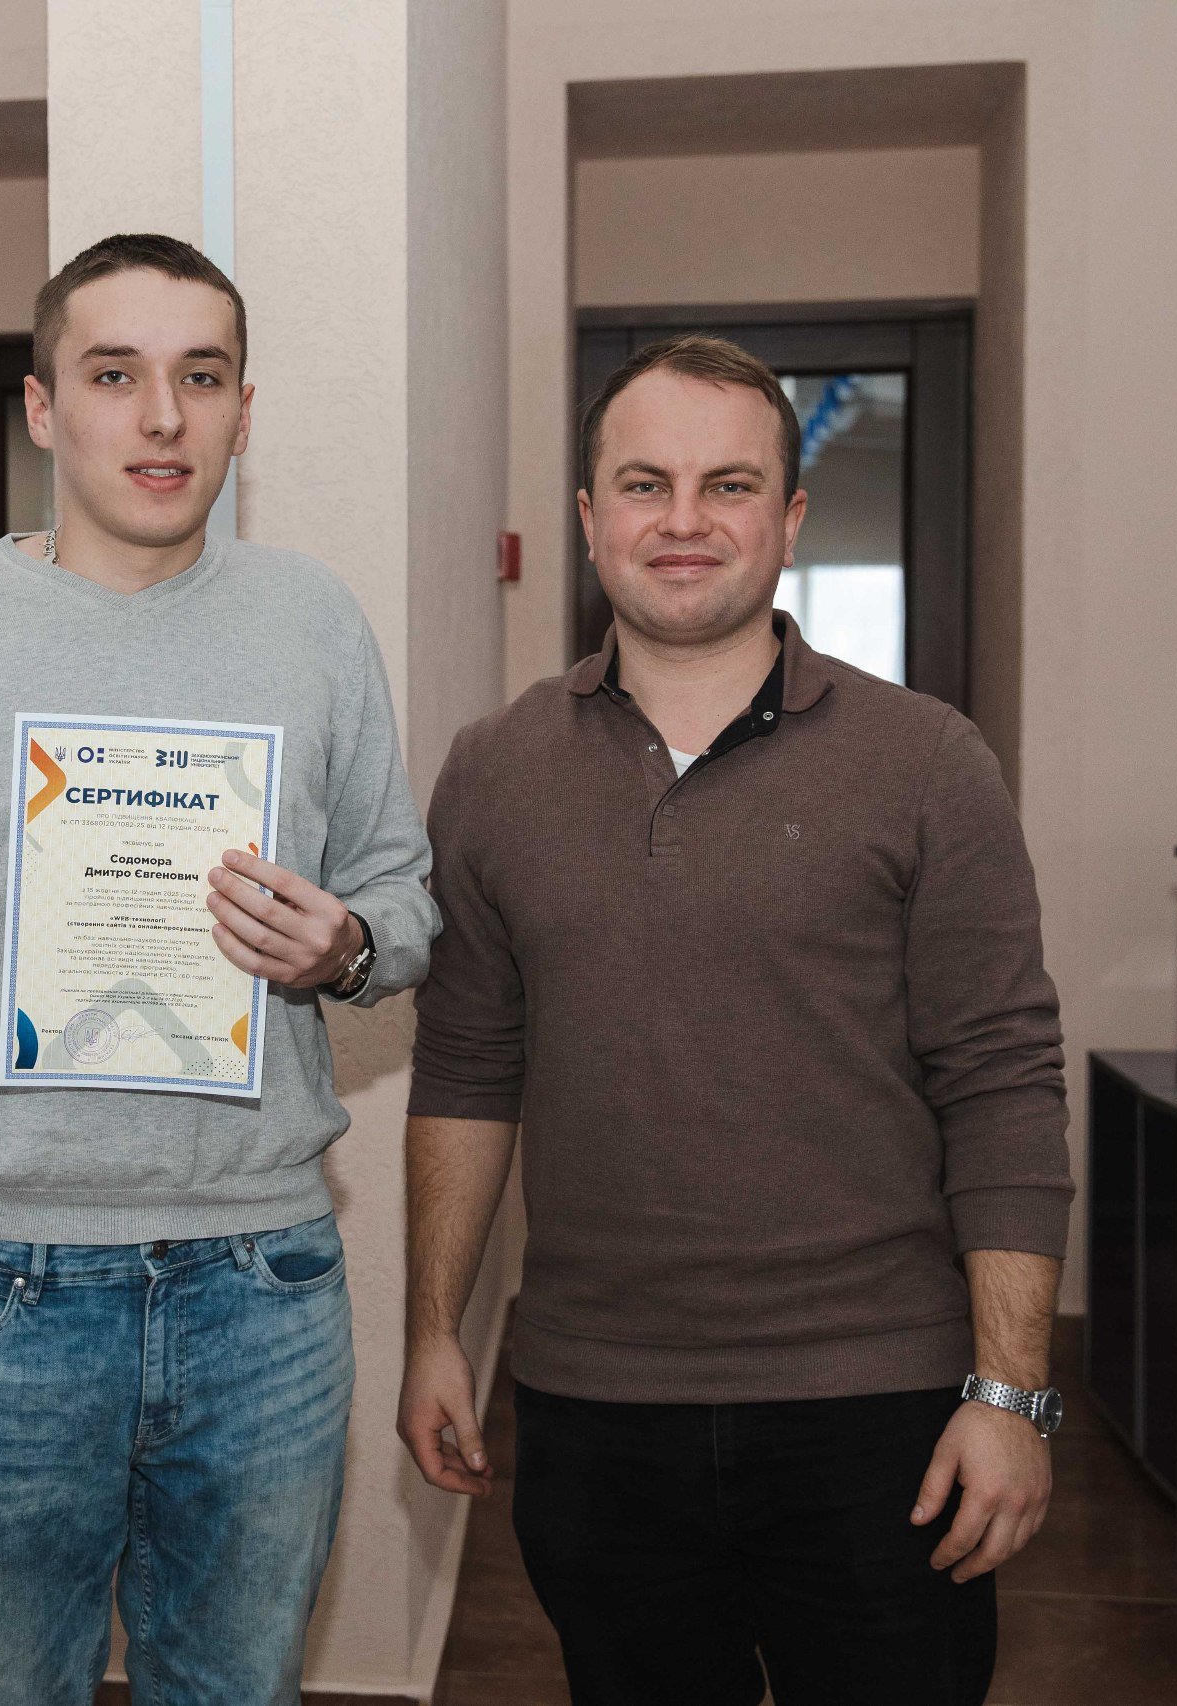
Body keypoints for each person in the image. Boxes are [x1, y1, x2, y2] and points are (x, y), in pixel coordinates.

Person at [0, 233, 439, 1705]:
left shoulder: (312, 620)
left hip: (261, 1283)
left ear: (243, 411)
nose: (162, 417)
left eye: (201, 377)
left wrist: (347, 945)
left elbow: (406, 897)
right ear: (41, 407)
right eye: (115, 374)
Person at [398, 334, 1074, 1706]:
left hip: (879, 1410)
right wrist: (433, 1331)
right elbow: (466, 1071)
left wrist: (1009, 1394)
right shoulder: (492, 770)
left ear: (791, 516)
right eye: (645, 483)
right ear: (589, 515)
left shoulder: (927, 762)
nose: (685, 519)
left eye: (730, 484)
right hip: (595, 1407)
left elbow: (1002, 1083)